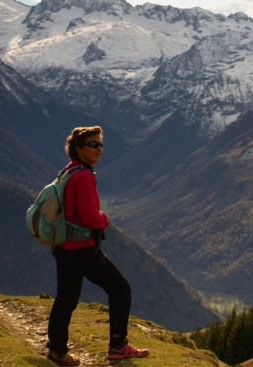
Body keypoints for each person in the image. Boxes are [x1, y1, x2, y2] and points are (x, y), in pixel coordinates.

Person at [46, 126, 149, 366]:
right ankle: (118, 345)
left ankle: (57, 350)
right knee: (120, 288)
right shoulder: (83, 176)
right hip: (81, 247)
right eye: (93, 144)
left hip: (63, 245)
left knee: (66, 298)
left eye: (100, 144)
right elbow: (91, 217)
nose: (99, 148)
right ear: (79, 149)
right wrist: (105, 220)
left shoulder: (69, 171)